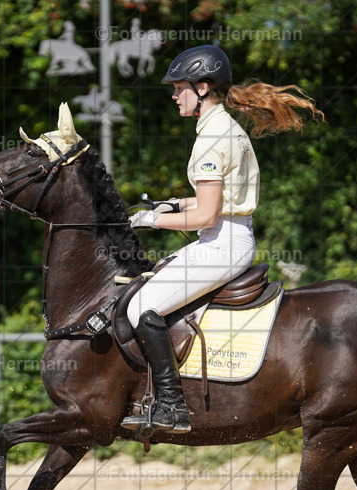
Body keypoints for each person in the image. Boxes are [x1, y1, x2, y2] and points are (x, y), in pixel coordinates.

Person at [123, 45, 324, 434]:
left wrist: (151, 220)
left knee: (142, 308)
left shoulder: (213, 137)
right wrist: (171, 202)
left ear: (201, 88)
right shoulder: (222, 128)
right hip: (223, 237)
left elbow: (205, 215)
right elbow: (215, 200)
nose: (173, 95)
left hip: (222, 244)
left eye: (178, 87)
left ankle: (171, 405)